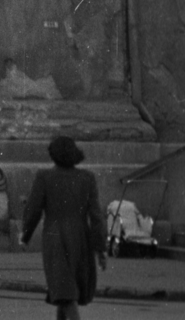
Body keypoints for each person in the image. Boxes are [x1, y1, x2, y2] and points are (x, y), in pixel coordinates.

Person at [21, 136, 108, 320]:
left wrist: (25, 235)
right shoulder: (87, 178)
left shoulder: (44, 177)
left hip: (55, 239)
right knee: (66, 291)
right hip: (81, 239)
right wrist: (100, 248)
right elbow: (96, 216)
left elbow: (33, 210)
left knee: (65, 293)